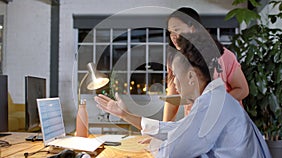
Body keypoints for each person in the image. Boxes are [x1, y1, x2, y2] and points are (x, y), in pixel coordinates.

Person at [94, 32, 271, 158]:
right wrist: (124, 114)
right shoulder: (214, 98)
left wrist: (157, 144)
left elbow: (174, 152)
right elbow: (179, 129)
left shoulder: (211, 105)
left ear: (191, 77)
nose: (174, 84)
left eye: (176, 77)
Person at [164, 7, 249, 120]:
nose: (173, 36)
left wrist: (215, 105)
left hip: (227, 120)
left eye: (177, 29)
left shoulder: (223, 56)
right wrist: (162, 133)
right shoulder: (175, 60)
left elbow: (242, 89)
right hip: (197, 123)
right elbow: (172, 98)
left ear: (193, 28)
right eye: (170, 32)